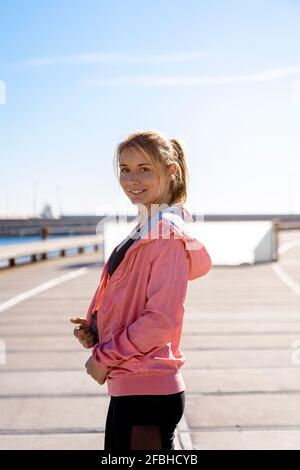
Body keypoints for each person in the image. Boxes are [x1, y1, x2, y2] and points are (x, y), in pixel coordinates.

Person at [70, 130, 212, 451]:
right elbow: (130, 299)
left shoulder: (167, 236)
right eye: (125, 169)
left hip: (148, 391)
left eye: (144, 168)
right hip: (130, 386)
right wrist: (97, 327)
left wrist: (104, 357)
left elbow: (161, 321)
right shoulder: (143, 230)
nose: (132, 178)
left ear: (170, 171)